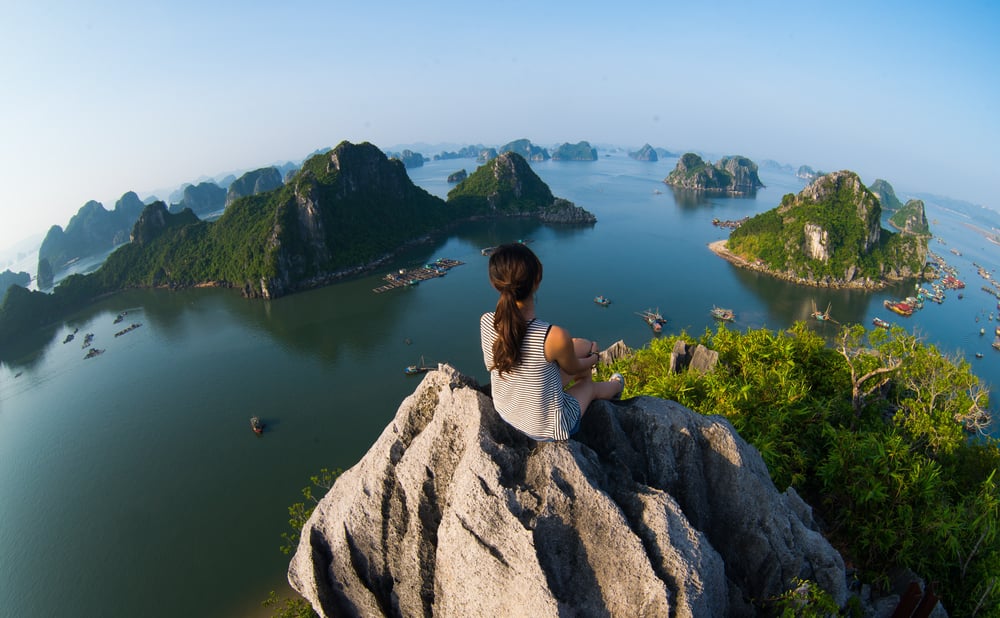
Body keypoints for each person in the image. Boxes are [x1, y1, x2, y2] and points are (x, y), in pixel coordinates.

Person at [480, 243, 624, 441]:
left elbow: (494, 365)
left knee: (579, 345)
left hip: (507, 410)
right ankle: (617, 385)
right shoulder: (552, 335)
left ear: (495, 283)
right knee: (590, 387)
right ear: (537, 280)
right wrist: (594, 357)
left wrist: (584, 350)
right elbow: (573, 367)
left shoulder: (488, 321)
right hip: (546, 428)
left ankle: (587, 372)